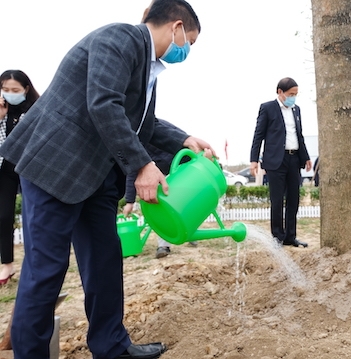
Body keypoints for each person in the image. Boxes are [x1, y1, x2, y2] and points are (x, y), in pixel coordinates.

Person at [0, 1, 214, 358]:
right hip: (55, 166)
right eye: (188, 41)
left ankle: (112, 346)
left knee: (104, 259)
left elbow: (145, 123)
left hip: (94, 175)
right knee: (47, 268)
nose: (185, 50)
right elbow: (103, 103)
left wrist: (184, 139)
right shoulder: (120, 37)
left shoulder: (147, 66)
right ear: (177, 27)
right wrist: (143, 166)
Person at [250, 77, 312, 248]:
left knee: (294, 200)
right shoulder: (268, 108)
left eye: (296, 94)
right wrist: (254, 160)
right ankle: (277, 237)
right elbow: (258, 135)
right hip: (276, 160)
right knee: (277, 201)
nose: (294, 97)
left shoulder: (296, 110)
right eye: (291, 94)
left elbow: (298, 135)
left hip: (294, 159)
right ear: (280, 92)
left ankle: (290, 237)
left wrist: (305, 157)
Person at [122, 119, 197, 259]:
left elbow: (185, 141)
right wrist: (129, 201)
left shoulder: (159, 127)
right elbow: (134, 170)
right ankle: (163, 245)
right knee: (161, 205)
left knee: (188, 203)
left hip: (180, 168)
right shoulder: (132, 138)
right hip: (158, 172)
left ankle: (190, 232)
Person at [0, 70, 39, 286]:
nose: (9, 94)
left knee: (33, 216)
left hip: (29, 169)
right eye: (5, 90)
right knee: (4, 216)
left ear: (25, 89)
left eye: (15, 90)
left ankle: (34, 261)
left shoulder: (34, 109)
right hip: (6, 169)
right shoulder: (2, 111)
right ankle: (7, 263)